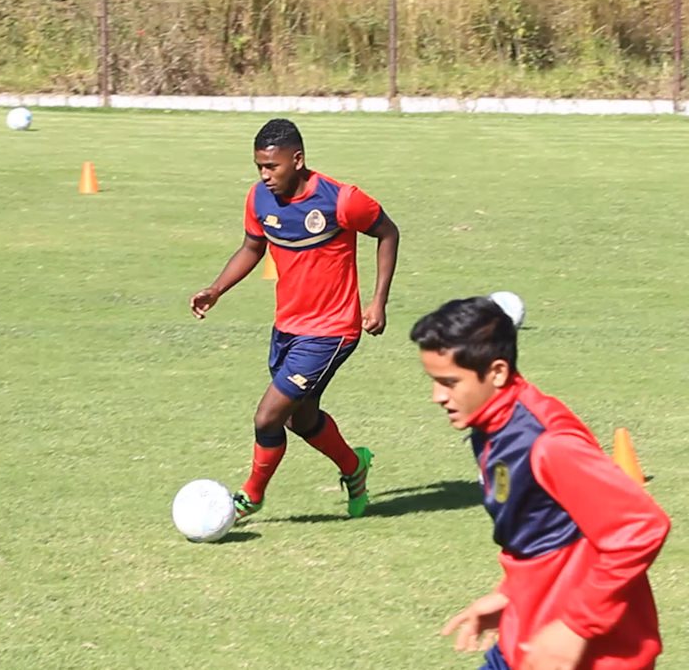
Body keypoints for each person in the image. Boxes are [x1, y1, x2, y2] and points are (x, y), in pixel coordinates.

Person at [410, 297, 671, 670]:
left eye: (449, 383)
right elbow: (550, 531)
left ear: (497, 372)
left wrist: (575, 627)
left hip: (585, 654)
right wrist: (509, 594)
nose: (438, 396)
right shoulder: (491, 424)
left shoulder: (549, 444)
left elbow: (641, 527)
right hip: (527, 632)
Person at [189, 118, 400, 519]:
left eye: (273, 167)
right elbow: (252, 248)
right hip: (288, 327)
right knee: (301, 421)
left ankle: (251, 496)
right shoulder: (259, 199)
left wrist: (378, 302)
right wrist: (216, 289)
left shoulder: (342, 200)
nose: (265, 176)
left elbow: (388, 233)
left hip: (332, 330)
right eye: (259, 168)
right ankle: (355, 467)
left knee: (268, 415)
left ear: (298, 160)